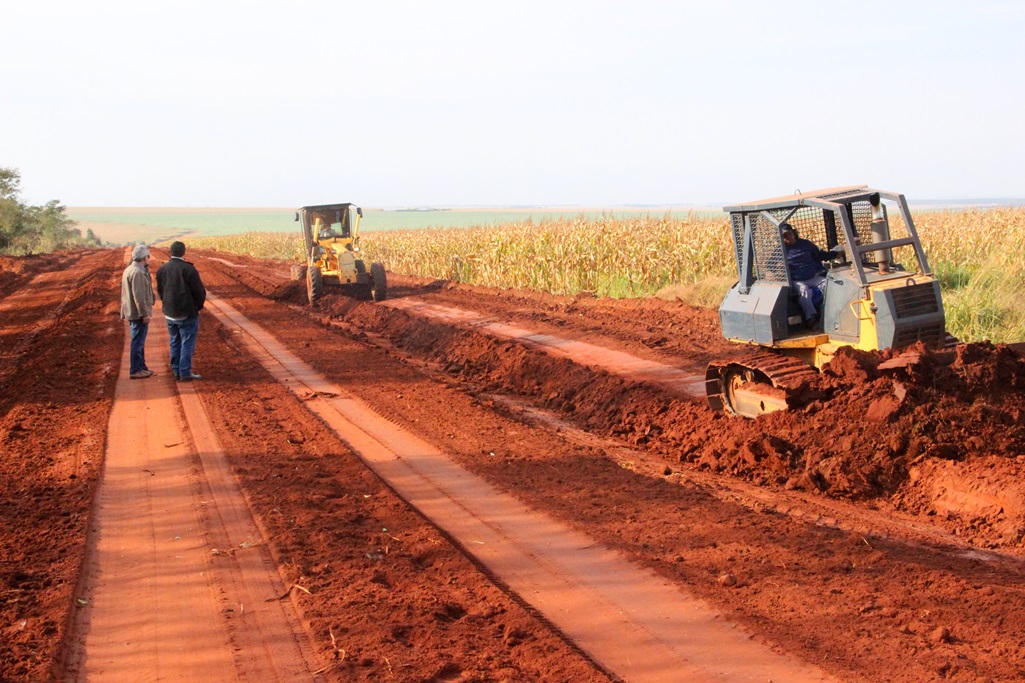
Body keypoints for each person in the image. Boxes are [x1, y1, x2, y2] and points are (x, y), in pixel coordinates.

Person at [156, 241, 207, 381]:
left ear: (170, 252)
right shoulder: (189, 269)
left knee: (174, 340)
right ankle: (185, 372)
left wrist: (166, 304)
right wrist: (197, 307)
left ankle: (176, 370)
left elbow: (160, 290)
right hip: (187, 313)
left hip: (169, 313)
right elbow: (200, 292)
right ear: (183, 252)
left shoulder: (162, 269)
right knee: (187, 342)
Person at [781, 224, 834, 327]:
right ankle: (811, 318)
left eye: (789, 234)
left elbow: (819, 255)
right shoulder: (781, 250)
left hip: (812, 277)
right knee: (804, 290)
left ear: (794, 233)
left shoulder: (805, 244)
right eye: (784, 237)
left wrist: (834, 254)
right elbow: (771, 264)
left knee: (830, 284)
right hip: (796, 280)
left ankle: (828, 312)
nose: (788, 238)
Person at [120, 244, 155, 379]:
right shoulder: (137, 272)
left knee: (139, 341)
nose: (149, 259)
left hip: (133, 312)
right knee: (137, 342)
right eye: (148, 256)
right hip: (137, 313)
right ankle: (135, 370)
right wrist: (144, 313)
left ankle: (141, 367)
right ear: (144, 257)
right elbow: (138, 296)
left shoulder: (132, 269)